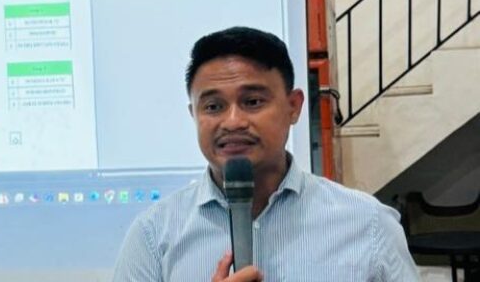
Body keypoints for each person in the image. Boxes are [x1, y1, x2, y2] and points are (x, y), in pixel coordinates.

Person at [112, 27, 418, 282]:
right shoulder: (154, 235)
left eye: (253, 101)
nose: (233, 122)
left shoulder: (368, 224)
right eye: (213, 106)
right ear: (194, 114)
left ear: (293, 107)